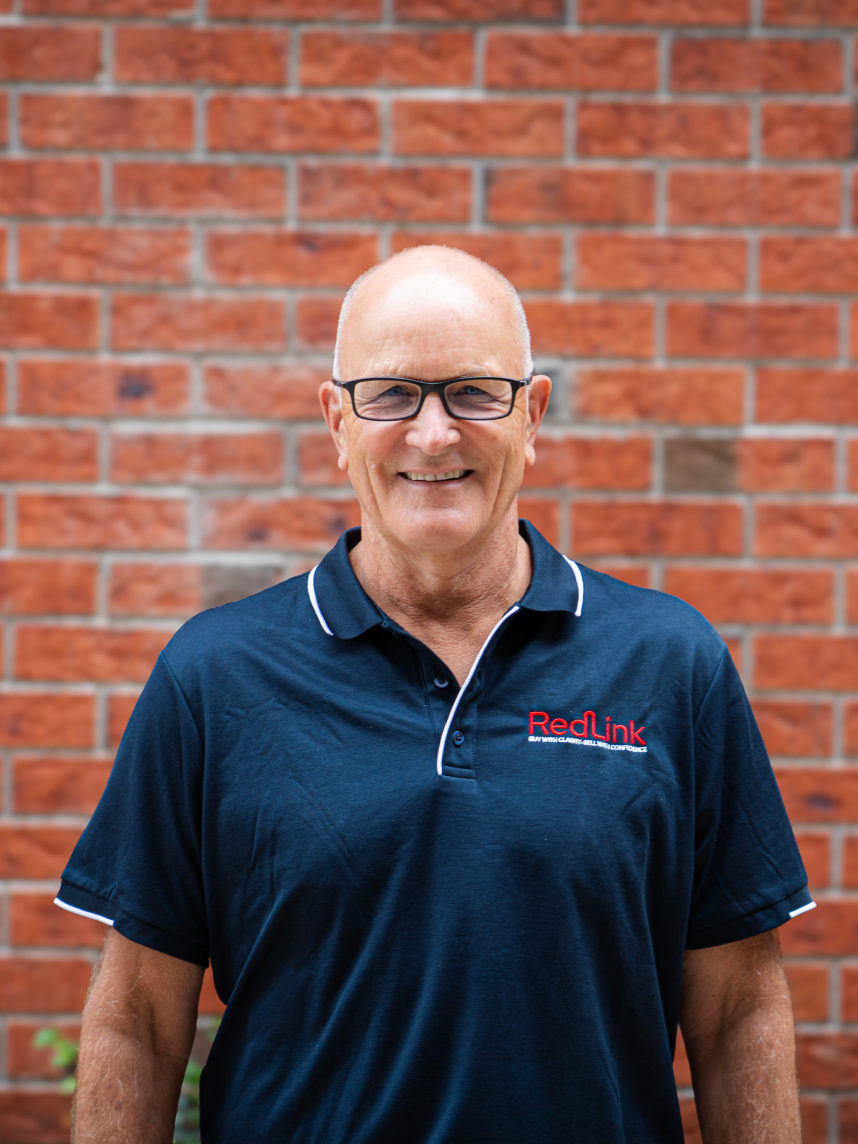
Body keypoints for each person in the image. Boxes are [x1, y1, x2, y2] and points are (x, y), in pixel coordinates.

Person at [58, 246, 811, 1144]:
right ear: (336, 422)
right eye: (391, 394)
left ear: (531, 414)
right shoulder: (215, 677)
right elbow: (138, 1020)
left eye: (472, 392)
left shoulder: (667, 663)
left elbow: (738, 1009)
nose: (432, 433)